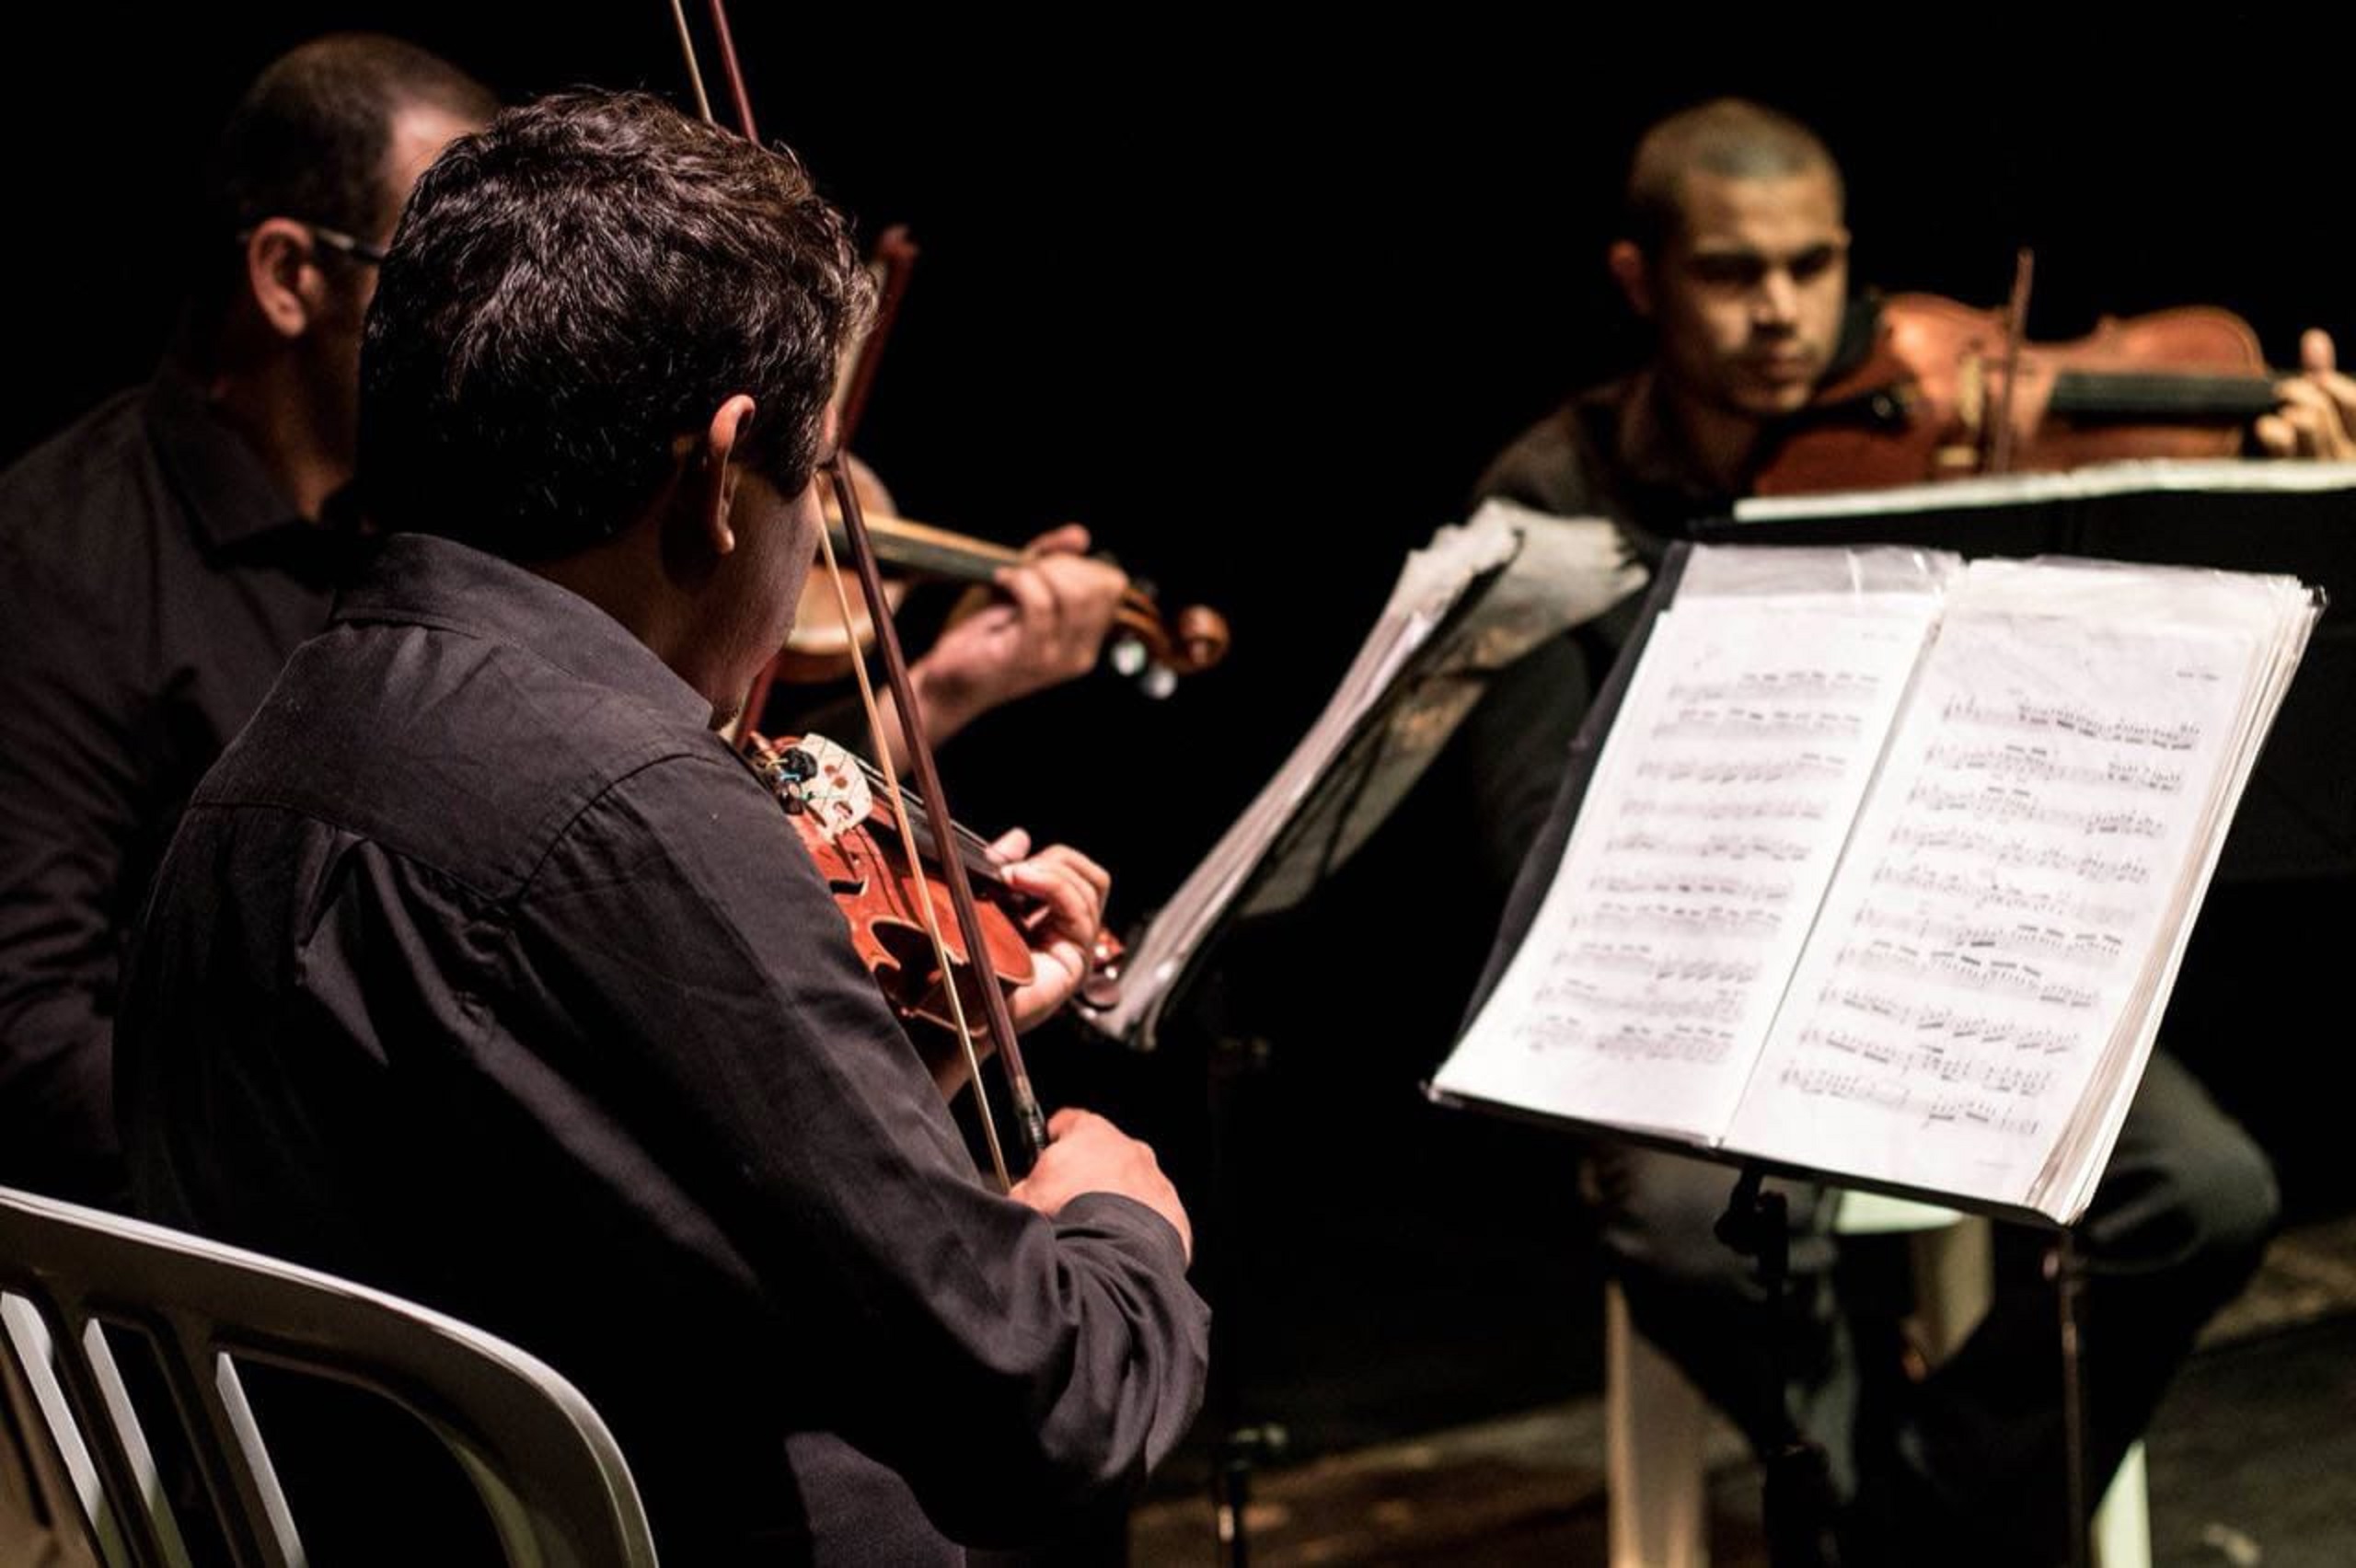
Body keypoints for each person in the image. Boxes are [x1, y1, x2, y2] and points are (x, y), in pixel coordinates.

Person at [113, 88, 1206, 1564]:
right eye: (812, 482)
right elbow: (1051, 1409)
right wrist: (1117, 1225)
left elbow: (553, 1204)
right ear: (716, 474)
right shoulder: (632, 808)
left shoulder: (258, 778)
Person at [1460, 98, 2331, 1562]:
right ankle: (1886, 1507)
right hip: (1696, 985)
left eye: (1814, 267)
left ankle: (1910, 1518)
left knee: (2206, 1190)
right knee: (1682, 1228)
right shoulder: (1550, 493)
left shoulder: (1937, 440)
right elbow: (1528, 834)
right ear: (1639, 282)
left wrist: (2292, 470)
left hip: (1939, 939)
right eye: (1733, 274)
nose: (1783, 315)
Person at [0, 34, 497, 1206]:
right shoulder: (57, 562)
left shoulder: (438, 530)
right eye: (442, 282)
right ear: (287, 277)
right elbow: (24, 1032)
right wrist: (368, 1194)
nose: (488, 332)